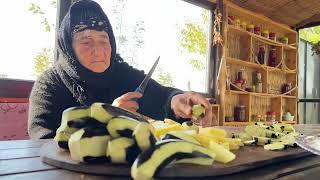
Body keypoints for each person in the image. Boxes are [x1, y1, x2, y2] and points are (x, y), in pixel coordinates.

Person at [28, 0, 217, 139]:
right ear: (68, 47)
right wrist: (104, 121)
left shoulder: (121, 74)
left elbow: (161, 96)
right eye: (86, 41)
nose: (99, 51)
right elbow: (42, 140)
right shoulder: (50, 84)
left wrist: (178, 100)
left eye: (104, 40)